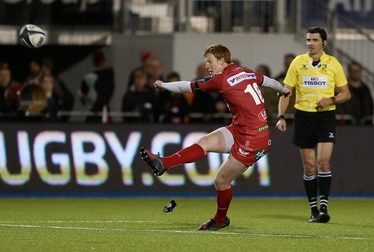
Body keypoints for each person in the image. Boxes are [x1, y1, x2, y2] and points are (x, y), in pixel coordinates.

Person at [139, 44, 290, 230]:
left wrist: (163, 85)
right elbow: (269, 81)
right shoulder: (247, 72)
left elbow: (187, 86)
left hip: (254, 140)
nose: (207, 66)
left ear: (222, 61)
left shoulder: (221, 79)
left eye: (210, 61)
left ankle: (220, 219)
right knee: (205, 142)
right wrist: (283, 90)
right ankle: (163, 163)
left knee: (221, 181)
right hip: (241, 130)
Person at [276, 27, 351, 223]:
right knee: (309, 166)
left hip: (325, 117)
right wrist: (281, 116)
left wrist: (331, 100)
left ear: (323, 43)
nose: (310, 43)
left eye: (315, 40)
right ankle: (313, 209)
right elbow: (287, 92)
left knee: (323, 162)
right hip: (303, 117)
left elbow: (346, 93)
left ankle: (324, 207)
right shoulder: (298, 62)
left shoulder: (333, 63)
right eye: (308, 40)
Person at [78, 50, 115, 123]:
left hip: (93, 111)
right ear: (104, 60)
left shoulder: (88, 77)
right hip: (104, 111)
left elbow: (82, 95)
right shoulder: (110, 75)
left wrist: (82, 97)